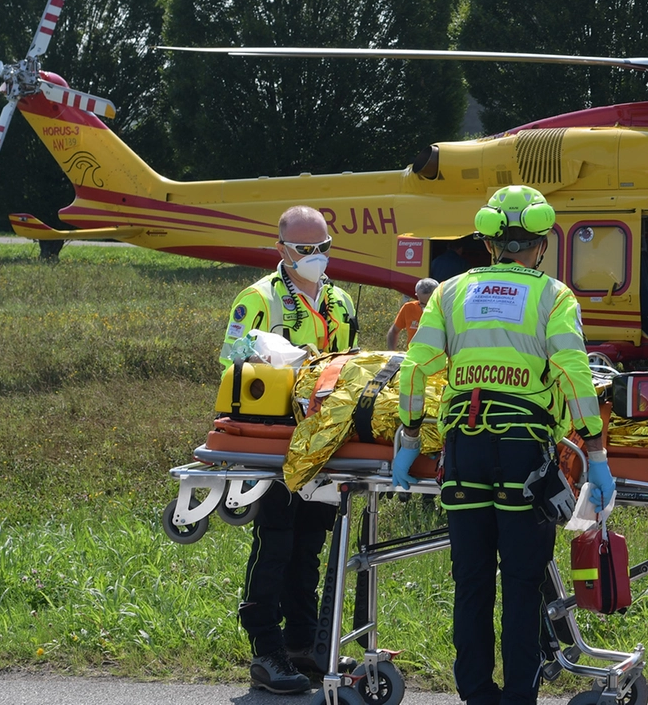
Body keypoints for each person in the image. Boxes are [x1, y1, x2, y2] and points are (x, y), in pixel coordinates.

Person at [392, 185, 611, 705]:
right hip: (524, 456)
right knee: (520, 582)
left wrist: (407, 438)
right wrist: (597, 457)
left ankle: (475, 693)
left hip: (463, 452)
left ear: (489, 243)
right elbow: (577, 377)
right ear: (540, 244)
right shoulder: (553, 296)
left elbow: (414, 369)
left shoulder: (448, 292)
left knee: (470, 580)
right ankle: (518, 696)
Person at [220, 205, 359, 695]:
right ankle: (265, 648)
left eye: (323, 248)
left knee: (311, 545)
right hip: (276, 438)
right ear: (282, 249)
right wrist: (272, 358)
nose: (316, 258)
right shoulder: (260, 298)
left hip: (324, 439)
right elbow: (229, 355)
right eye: (306, 250)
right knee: (275, 542)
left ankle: (302, 643)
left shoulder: (340, 302)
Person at [386, 278, 439, 350]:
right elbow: (394, 331)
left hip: (437, 358)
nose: (427, 308)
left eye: (430, 304)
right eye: (423, 304)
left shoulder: (445, 311)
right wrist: (392, 351)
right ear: (417, 296)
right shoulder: (408, 308)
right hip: (413, 358)